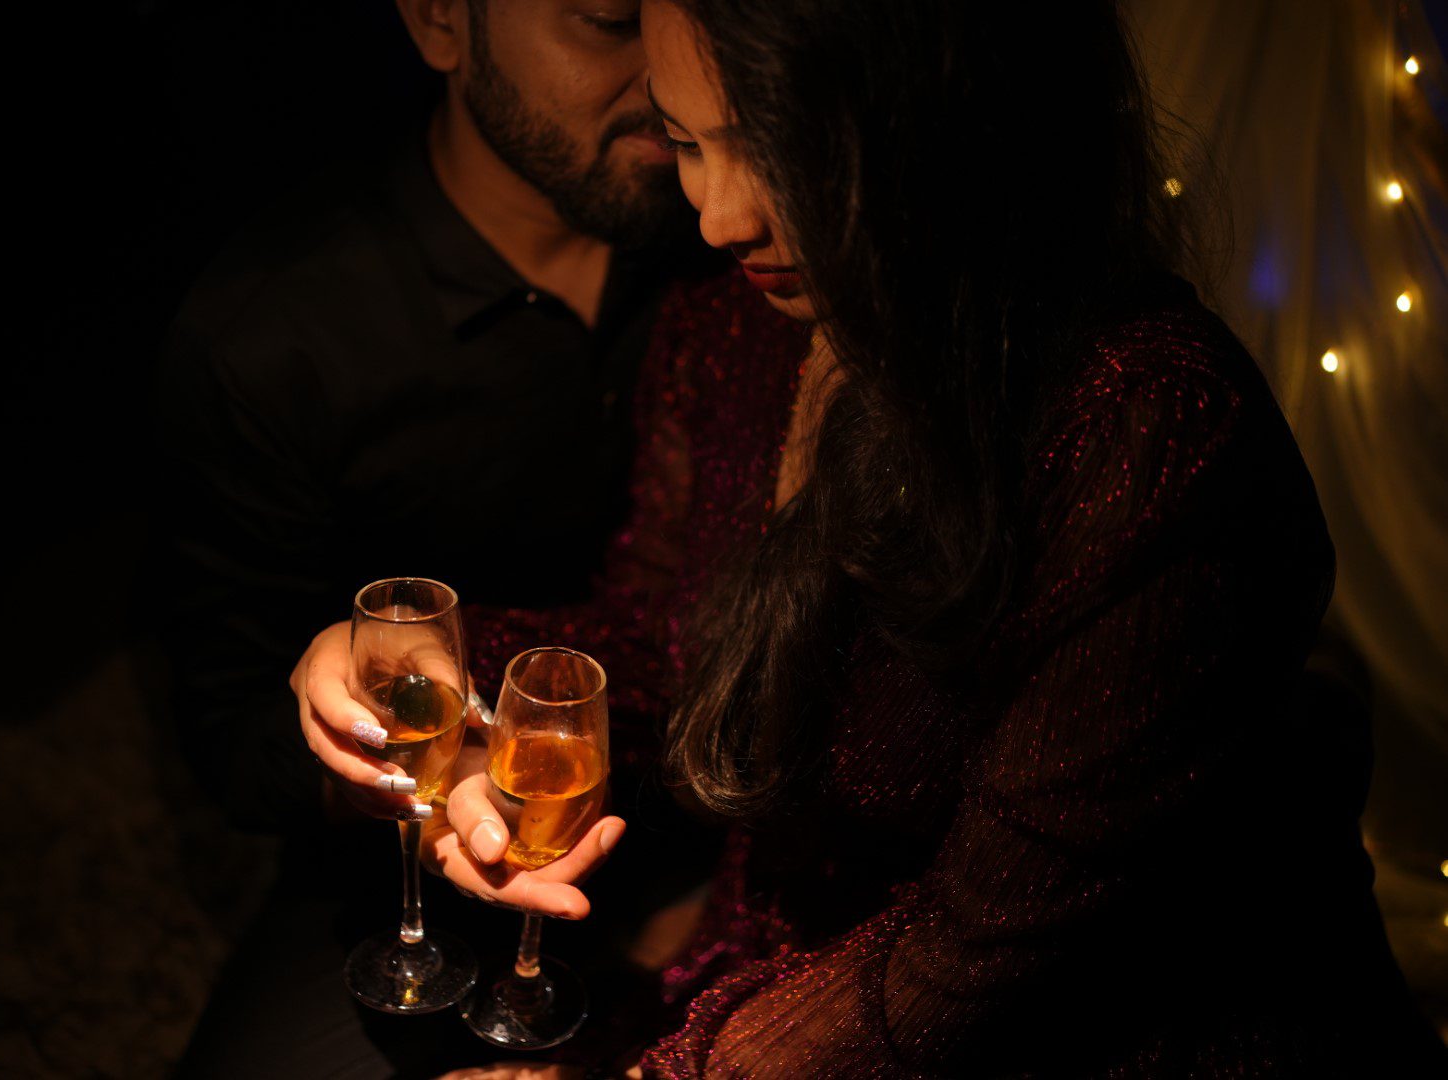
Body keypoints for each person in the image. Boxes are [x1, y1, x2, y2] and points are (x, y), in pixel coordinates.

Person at [299, 0, 1448, 1075]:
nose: (719, 215)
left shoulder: (1142, 427)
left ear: (941, 107)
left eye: (772, 144)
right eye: (688, 142)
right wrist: (430, 678)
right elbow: (662, 642)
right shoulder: (739, 327)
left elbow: (980, 953)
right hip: (795, 998)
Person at [152, 1, 722, 1075]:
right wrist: (385, 739)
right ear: (441, 21)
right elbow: (234, 740)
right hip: (412, 854)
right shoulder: (276, 335)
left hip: (724, 821)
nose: (668, 75)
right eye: (607, 19)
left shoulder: (739, 242)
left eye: (689, 16)